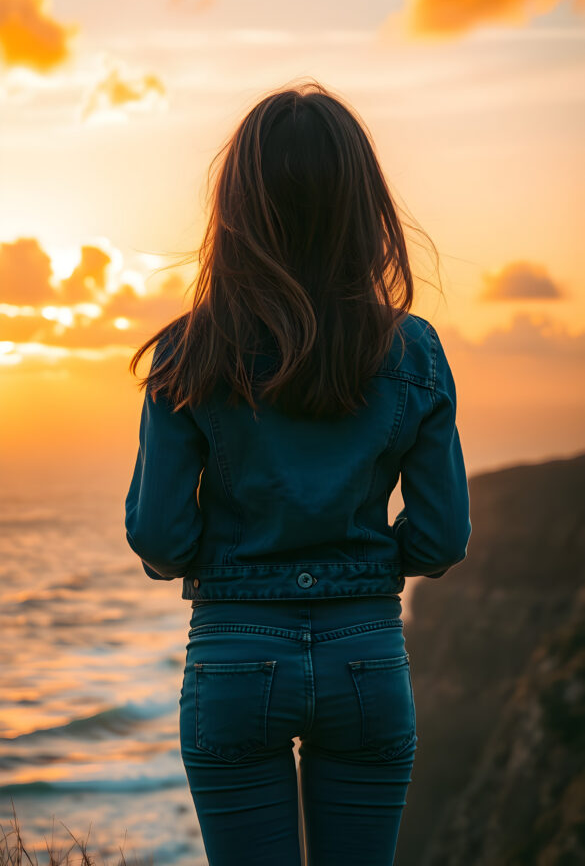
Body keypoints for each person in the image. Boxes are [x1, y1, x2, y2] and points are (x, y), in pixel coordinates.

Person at [124, 80, 472, 866]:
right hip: (366, 654)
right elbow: (443, 536)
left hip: (233, 656)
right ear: (363, 207)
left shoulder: (189, 351)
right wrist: (373, 559)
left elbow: (160, 537)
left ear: (238, 209)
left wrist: (224, 555)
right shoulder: (411, 351)